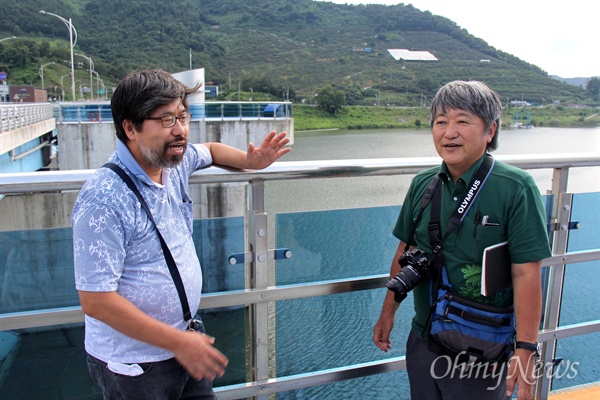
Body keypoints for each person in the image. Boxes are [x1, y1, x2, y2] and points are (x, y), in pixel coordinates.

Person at [72, 69, 291, 399]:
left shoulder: (172, 161)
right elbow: (96, 301)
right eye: (166, 120)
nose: (180, 131)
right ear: (130, 127)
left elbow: (212, 150)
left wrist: (250, 161)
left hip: (184, 344)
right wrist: (179, 343)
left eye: (183, 117)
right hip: (135, 365)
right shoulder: (103, 199)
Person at [373, 80, 551, 400]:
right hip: (425, 337)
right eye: (440, 122)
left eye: (463, 121)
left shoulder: (515, 187)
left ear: (490, 130)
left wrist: (525, 348)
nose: (449, 132)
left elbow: (526, 272)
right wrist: (388, 311)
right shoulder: (423, 184)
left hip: (481, 346)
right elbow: (405, 251)